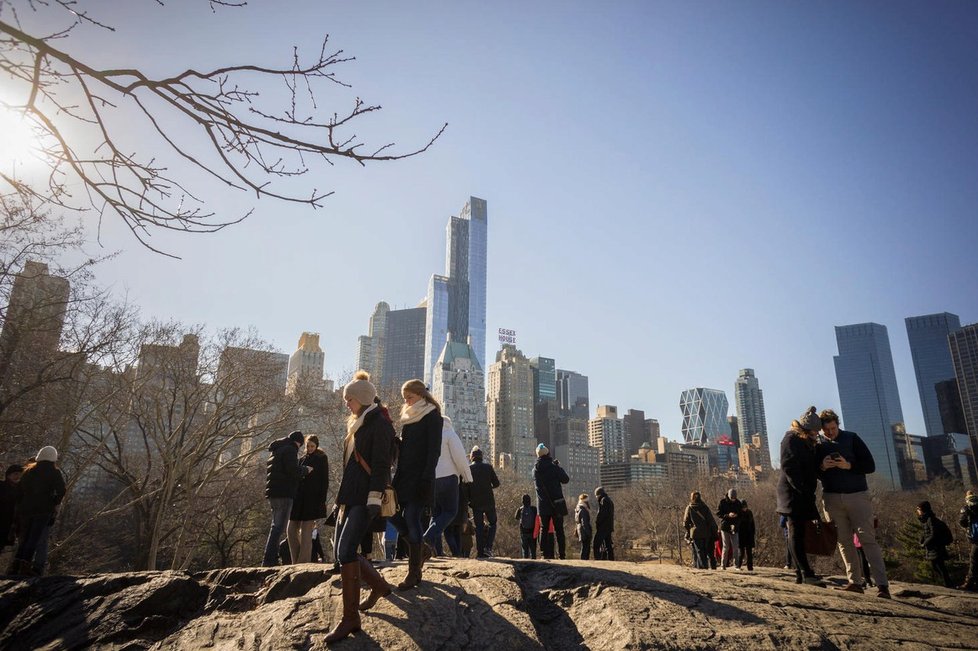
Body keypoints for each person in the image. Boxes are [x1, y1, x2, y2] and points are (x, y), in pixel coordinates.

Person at [324, 371, 395, 644]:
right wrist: (340, 498)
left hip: (366, 498)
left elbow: (381, 466)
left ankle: (350, 618)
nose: (346, 403)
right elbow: (351, 466)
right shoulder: (357, 423)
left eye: (349, 399)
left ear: (362, 399)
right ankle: (379, 586)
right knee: (344, 550)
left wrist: (374, 499)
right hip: (350, 496)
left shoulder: (379, 425)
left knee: (345, 552)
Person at [815, 408, 890, 598]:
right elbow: (813, 473)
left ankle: (882, 586)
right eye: (827, 430)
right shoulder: (819, 444)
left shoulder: (852, 438)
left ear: (837, 424)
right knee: (843, 541)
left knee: (868, 539)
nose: (830, 432)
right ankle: (855, 582)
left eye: (833, 428)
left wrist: (848, 465)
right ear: (822, 429)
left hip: (857, 496)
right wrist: (822, 465)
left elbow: (870, 466)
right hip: (831, 498)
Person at [391, 379, 442, 590]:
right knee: (391, 514)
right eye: (405, 398)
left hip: (421, 477)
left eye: (409, 397)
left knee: (411, 517)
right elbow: (405, 451)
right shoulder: (407, 417)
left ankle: (414, 572)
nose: (407, 401)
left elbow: (434, 450)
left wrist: (426, 477)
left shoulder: (432, 415)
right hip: (403, 476)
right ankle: (420, 549)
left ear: (421, 395)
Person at [777, 407, 822, 586]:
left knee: (799, 533)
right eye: (814, 431)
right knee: (795, 532)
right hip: (792, 493)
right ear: (805, 429)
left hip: (803, 492)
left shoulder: (807, 441)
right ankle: (806, 572)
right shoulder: (790, 439)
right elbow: (789, 467)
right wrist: (802, 489)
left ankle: (800, 572)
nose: (816, 434)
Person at [7, 447, 65, 577]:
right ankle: (25, 566)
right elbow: (61, 490)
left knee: (25, 538)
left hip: (26, 510)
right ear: (53, 458)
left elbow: (19, 491)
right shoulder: (55, 472)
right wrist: (54, 501)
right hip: (43, 510)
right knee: (34, 538)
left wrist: (22, 504)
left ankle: (15, 566)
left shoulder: (28, 471)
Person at [423, 416, 472, 556]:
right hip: (449, 478)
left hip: (433, 480)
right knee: (450, 511)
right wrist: (468, 477)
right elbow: (461, 458)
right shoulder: (450, 434)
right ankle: (428, 536)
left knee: (436, 514)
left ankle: (434, 549)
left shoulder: (430, 438)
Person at [262, 430, 306, 567]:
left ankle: (270, 558)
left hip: (273, 493)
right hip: (284, 493)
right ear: (298, 443)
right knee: (280, 527)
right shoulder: (290, 450)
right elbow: (292, 470)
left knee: (275, 526)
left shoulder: (277, 450)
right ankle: (270, 560)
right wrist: (305, 470)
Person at [288, 435, 329, 564]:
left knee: (307, 532)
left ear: (316, 446)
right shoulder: (301, 459)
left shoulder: (322, 458)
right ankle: (296, 560)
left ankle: (303, 561)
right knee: (290, 529)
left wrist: (321, 500)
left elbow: (324, 481)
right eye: (308, 446)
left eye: (312, 446)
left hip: (312, 499)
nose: (310, 448)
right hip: (298, 498)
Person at [533, 444, 569, 560]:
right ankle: (562, 555)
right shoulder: (554, 467)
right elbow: (565, 479)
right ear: (548, 454)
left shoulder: (535, 470)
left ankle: (544, 554)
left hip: (543, 505)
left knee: (543, 529)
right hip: (557, 503)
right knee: (559, 530)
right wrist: (558, 467)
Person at [468, 445, 500, 558]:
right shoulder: (488, 467)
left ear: (472, 457)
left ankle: (480, 552)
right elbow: (497, 483)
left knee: (479, 527)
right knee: (493, 523)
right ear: (481, 457)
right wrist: (487, 487)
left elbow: (465, 488)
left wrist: (469, 500)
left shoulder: (469, 469)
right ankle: (488, 547)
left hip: (475, 503)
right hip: (489, 502)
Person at [917, 501, 953, 587]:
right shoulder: (926, 519)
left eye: (918, 509)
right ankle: (948, 584)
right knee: (936, 567)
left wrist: (924, 543)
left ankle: (949, 584)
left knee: (940, 566)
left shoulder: (930, 519)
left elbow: (933, 534)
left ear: (923, 509)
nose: (917, 511)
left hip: (936, 547)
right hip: (933, 547)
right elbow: (927, 532)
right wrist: (922, 540)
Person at [683, 491, 717, 570]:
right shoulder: (705, 507)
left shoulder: (690, 507)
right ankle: (702, 567)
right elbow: (711, 521)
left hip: (695, 533)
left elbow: (685, 523)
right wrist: (714, 532)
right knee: (704, 551)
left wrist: (689, 531)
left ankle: (702, 568)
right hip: (706, 533)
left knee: (699, 551)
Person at [0, 465, 24, 562]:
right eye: (15, 474)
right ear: (8, 475)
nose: (17, 477)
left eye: (20, 475)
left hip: (9, 526)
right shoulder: (1, 486)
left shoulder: (20, 490)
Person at [716, 489, 742, 570]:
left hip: (735, 527)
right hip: (725, 527)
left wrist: (736, 516)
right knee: (726, 546)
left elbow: (741, 515)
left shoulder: (738, 503)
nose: (733, 499)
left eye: (734, 498)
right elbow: (718, 513)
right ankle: (723, 565)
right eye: (732, 498)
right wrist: (728, 515)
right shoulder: (723, 502)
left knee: (735, 546)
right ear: (729, 496)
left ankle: (736, 565)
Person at [958, 490, 978, 592]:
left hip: (976, 540)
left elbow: (962, 522)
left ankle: (969, 583)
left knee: (974, 561)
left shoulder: (966, 508)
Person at [593, 486, 615, 561]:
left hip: (603, 526)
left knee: (596, 543)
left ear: (599, 494)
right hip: (608, 526)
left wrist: (597, 522)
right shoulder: (609, 500)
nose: (596, 497)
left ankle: (598, 559)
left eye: (596, 496)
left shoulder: (603, 500)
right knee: (608, 544)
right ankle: (611, 559)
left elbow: (601, 514)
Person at [516, 494, 539, 559]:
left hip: (523, 532)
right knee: (533, 550)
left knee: (525, 550)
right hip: (532, 532)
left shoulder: (520, 509)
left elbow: (516, 517)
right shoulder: (534, 509)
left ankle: (525, 562)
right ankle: (534, 563)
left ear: (522, 501)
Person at [738, 499, 756, 572]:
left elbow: (752, 524)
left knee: (749, 553)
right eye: (743, 507)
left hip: (749, 535)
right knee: (741, 553)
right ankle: (738, 566)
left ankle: (750, 568)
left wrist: (753, 533)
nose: (744, 508)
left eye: (745, 507)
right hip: (741, 536)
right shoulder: (739, 513)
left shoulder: (750, 513)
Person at [575, 494, 592, 560]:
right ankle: (584, 560)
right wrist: (588, 532)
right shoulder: (583, 510)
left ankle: (584, 560)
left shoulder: (578, 508)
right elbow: (584, 522)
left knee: (584, 546)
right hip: (584, 530)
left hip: (580, 529)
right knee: (586, 547)